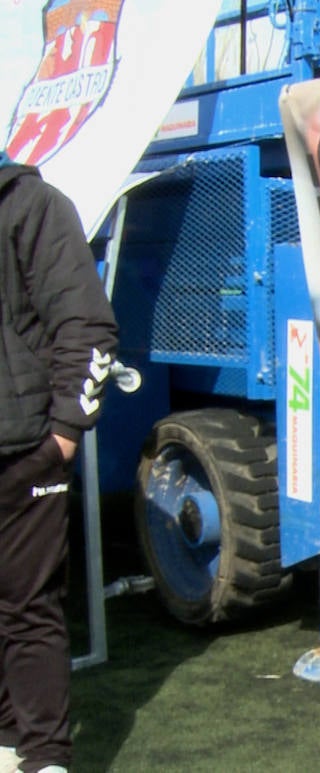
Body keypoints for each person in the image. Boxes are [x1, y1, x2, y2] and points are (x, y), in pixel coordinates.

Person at [0, 153, 118, 773]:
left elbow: (88, 326)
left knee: (29, 608)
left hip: (24, 453)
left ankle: (44, 756)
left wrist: (63, 437)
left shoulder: (34, 206)